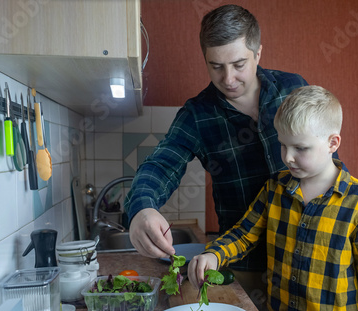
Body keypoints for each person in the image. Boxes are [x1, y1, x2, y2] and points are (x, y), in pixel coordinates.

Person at [188, 85, 358, 311]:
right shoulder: (275, 187)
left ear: (332, 143)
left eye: (301, 148)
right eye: (283, 145)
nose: (288, 157)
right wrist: (215, 254)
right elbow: (243, 234)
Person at [124, 4, 308, 274]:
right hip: (243, 264)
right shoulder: (197, 114)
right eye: (216, 66)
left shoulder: (293, 89)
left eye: (238, 65)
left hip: (305, 257)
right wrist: (141, 208)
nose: (228, 79)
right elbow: (161, 165)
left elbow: (327, 161)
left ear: (258, 53)